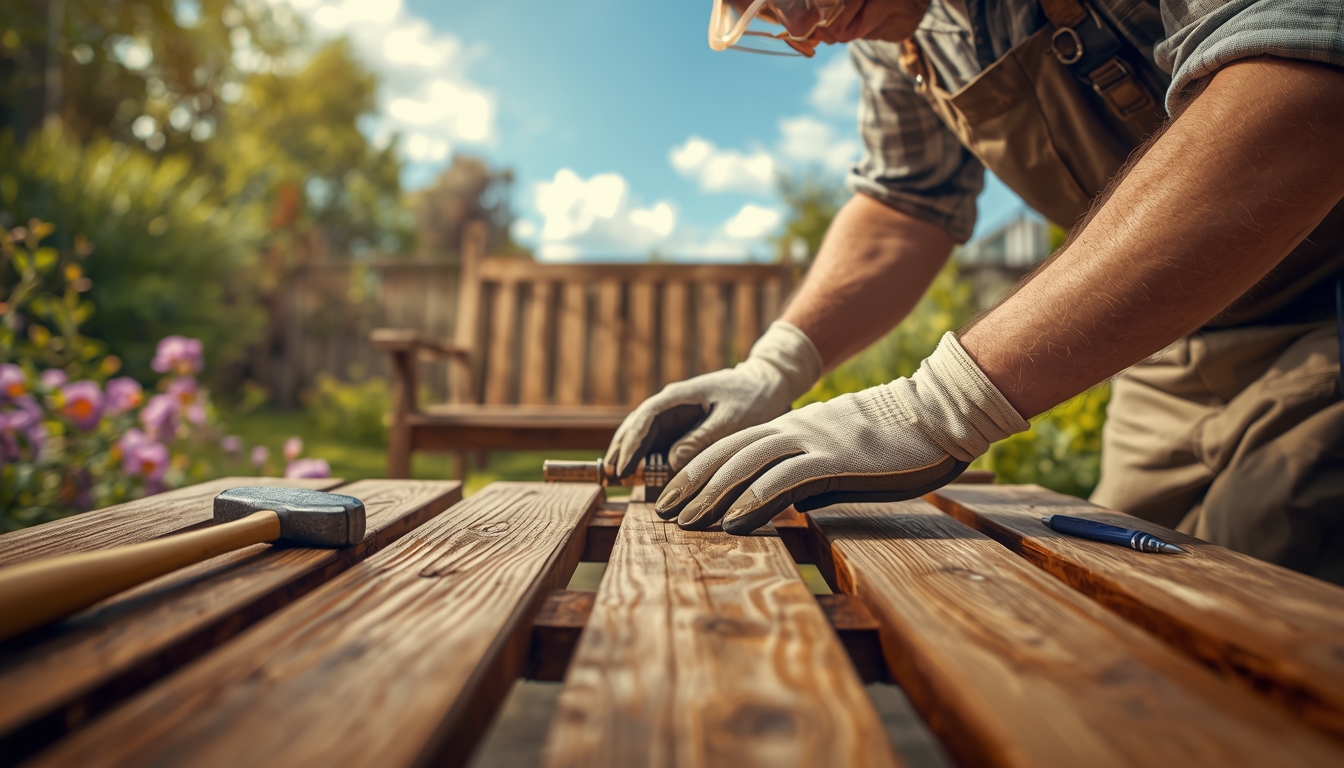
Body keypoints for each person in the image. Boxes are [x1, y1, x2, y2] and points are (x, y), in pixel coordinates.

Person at [604, 0, 1344, 583]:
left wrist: (942, 406)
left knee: (1265, 603)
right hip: (1162, 345)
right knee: (1123, 599)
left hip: (1324, 316)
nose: (801, 31)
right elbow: (907, 201)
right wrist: (774, 368)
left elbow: (1302, 83)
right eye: (765, 9)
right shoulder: (896, 32)